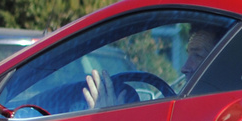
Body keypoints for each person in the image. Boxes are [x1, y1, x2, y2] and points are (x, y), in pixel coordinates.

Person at [81, 23, 223, 110]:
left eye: (198, 56)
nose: (184, 68)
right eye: (188, 55)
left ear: (223, 64)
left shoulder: (210, 119)